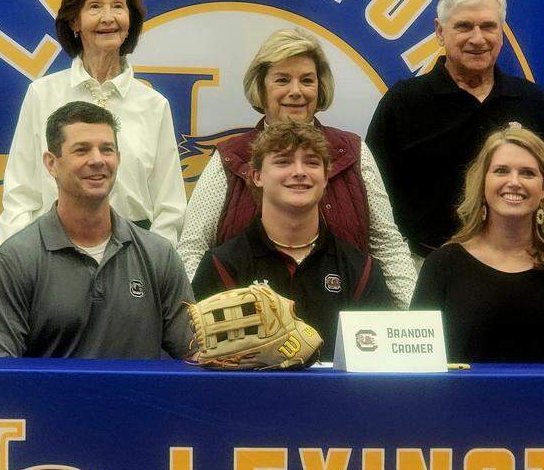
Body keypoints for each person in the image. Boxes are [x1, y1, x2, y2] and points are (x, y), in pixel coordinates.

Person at [178, 28, 415, 308]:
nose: (296, 91)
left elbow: (387, 246)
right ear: (261, 88)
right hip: (248, 335)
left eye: (306, 80)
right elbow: (192, 248)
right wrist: (205, 317)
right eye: (282, 80)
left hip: (343, 329)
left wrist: (412, 324)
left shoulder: (354, 152)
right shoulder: (231, 157)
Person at [367, 0, 544, 263]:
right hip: (422, 264)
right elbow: (371, 200)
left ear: (502, 33)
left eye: (488, 26)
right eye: (464, 26)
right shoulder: (403, 103)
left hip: (519, 264)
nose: (478, 38)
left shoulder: (533, 103)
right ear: (440, 31)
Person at [0, 102, 193, 359]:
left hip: (143, 401)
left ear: (118, 159)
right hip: (49, 401)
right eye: (82, 150)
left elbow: (194, 358)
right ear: (51, 163)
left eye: (107, 149)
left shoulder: (160, 257)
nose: (98, 160)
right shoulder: (15, 261)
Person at [0, 0, 185, 246]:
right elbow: (20, 195)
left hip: (134, 257)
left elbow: (170, 209)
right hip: (53, 252)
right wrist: (23, 262)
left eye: (118, 6)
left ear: (130, 19)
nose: (108, 18)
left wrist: (151, 268)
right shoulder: (42, 94)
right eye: (95, 7)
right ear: (74, 21)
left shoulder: (154, 105)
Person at [410, 125, 544, 363]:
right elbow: (419, 366)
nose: (514, 182)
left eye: (527, 173)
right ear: (483, 183)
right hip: (465, 401)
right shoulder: (443, 267)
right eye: (501, 171)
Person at [191, 122, 392, 354]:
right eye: (283, 161)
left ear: (326, 177)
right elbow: (203, 365)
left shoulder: (361, 271)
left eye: (312, 162)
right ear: (256, 176)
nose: (299, 172)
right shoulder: (222, 266)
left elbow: (377, 368)